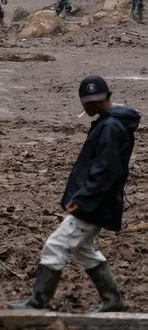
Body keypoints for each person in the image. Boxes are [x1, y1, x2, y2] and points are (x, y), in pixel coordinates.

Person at [9, 76, 140, 312]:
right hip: (100, 201)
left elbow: (104, 171)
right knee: (84, 249)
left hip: (94, 203)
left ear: (106, 99)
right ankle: (113, 300)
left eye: (94, 102)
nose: (91, 106)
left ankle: (37, 303)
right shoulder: (110, 123)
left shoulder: (110, 127)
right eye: (88, 102)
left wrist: (81, 199)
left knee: (55, 244)